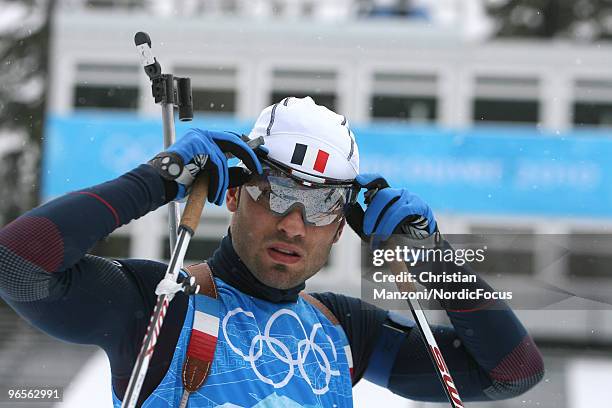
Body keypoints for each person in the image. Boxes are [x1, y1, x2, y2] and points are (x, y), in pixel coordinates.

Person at [0, 97, 543, 407]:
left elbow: (512, 371)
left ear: (341, 228)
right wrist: (161, 178)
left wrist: (432, 255)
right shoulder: (161, 306)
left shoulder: (344, 330)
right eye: (275, 192)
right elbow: (16, 264)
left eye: (322, 205)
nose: (294, 223)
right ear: (233, 193)